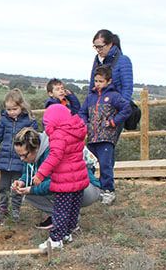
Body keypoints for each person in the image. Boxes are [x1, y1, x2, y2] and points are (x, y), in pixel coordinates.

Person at [11, 128, 102, 230]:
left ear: (36, 148)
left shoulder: (54, 151)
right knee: (30, 192)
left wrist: (31, 189)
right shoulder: (33, 154)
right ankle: (59, 217)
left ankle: (67, 221)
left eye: (24, 155)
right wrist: (22, 182)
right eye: (19, 156)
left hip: (87, 188)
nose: (22, 159)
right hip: (69, 187)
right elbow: (29, 173)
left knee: (59, 187)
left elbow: (57, 182)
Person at [29, 104, 89, 250]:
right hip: (79, 177)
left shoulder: (58, 135)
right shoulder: (76, 131)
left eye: (47, 122)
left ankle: (56, 239)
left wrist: (41, 174)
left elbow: (55, 156)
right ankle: (68, 232)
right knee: (73, 208)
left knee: (61, 210)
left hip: (64, 180)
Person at [78, 65, 131, 205]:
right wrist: (85, 123)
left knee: (105, 165)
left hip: (107, 137)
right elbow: (82, 112)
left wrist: (114, 121)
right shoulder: (90, 97)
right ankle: (93, 188)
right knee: (89, 163)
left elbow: (126, 109)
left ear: (109, 81)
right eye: (96, 81)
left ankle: (108, 191)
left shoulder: (114, 96)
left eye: (101, 81)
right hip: (92, 137)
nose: (97, 84)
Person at [0, 89, 37, 223]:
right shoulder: (4, 120)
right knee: (3, 187)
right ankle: (2, 209)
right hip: (5, 159)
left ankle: (15, 209)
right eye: (8, 109)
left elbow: (33, 138)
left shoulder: (29, 120)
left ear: (21, 106)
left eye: (14, 109)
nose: (11, 112)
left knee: (17, 186)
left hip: (21, 159)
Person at [89, 29, 134, 102]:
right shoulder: (97, 60)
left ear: (110, 44)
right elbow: (92, 86)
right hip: (99, 105)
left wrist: (121, 106)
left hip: (117, 104)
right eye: (96, 47)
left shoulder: (123, 60)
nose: (98, 50)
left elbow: (127, 89)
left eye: (100, 47)